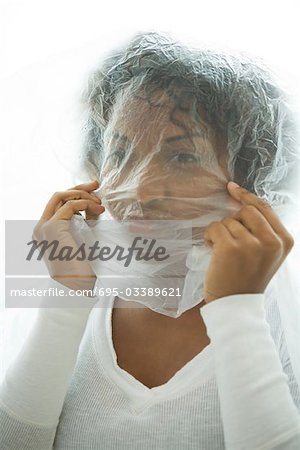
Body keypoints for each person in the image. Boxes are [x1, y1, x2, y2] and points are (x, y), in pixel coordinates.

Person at [1, 31, 300, 450]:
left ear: (252, 181)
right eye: (121, 154)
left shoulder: (281, 316)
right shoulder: (86, 279)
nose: (140, 191)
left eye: (181, 157)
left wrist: (238, 310)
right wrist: (67, 296)